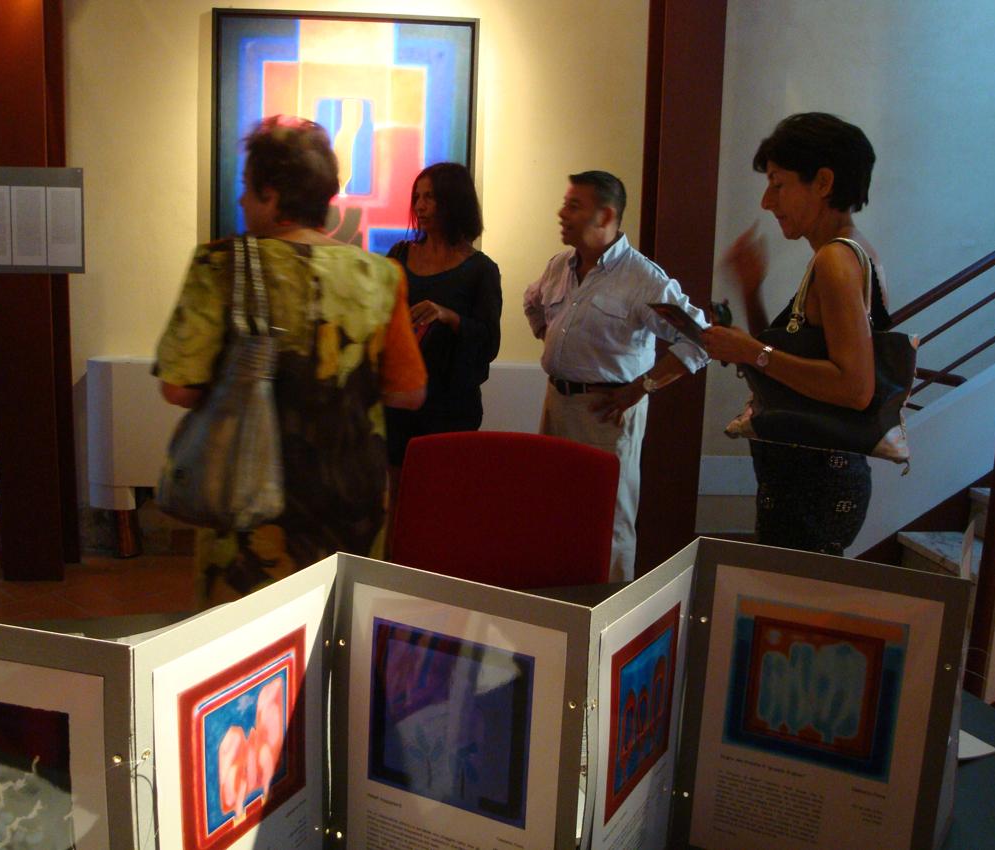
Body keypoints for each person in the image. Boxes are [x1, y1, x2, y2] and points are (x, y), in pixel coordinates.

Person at [156, 115, 426, 607]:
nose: (242, 201)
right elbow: (408, 392)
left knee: (246, 636)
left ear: (272, 195)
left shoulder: (220, 265)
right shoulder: (382, 275)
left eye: (248, 189)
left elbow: (179, 387)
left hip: (252, 496)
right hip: (353, 497)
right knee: (339, 625)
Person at [703, 113, 889, 555]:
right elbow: (794, 369)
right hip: (815, 478)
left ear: (823, 182)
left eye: (778, 184)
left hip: (815, 483)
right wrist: (752, 296)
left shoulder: (835, 260)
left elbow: (854, 387)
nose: (767, 201)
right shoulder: (847, 253)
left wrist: (751, 350)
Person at [523, 171, 709, 582]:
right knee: (555, 513)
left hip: (607, 413)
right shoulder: (559, 265)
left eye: (574, 206)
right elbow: (532, 302)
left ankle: (610, 608)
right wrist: (552, 340)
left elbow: (699, 340)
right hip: (556, 406)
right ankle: (559, 602)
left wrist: (643, 387)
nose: (562, 213)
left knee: (609, 522)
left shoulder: (643, 279)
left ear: (606, 215)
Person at [384, 162, 502, 518]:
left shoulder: (481, 269)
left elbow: (489, 342)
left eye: (430, 197)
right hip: (400, 400)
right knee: (396, 503)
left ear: (453, 201)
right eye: (417, 197)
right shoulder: (399, 255)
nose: (419, 206)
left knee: (443, 506)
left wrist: (448, 316)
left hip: (450, 405)